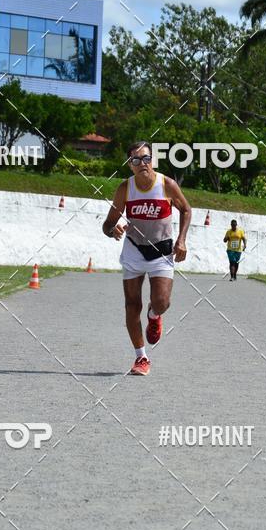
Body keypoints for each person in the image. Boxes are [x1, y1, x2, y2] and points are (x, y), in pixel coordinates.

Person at [102, 141, 191, 375]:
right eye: (135, 160)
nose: (142, 163)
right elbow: (107, 224)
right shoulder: (125, 189)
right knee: (132, 305)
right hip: (134, 249)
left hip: (162, 250)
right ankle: (141, 357)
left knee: (162, 301)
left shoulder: (166, 185)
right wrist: (114, 230)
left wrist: (181, 240)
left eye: (146, 158)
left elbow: (186, 209)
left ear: (152, 160)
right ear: (129, 165)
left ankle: (154, 315)